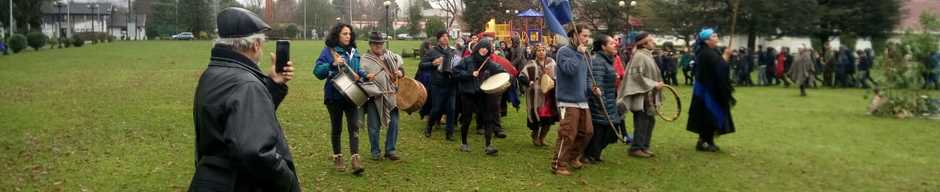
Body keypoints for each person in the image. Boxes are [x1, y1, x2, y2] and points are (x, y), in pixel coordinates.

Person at [190, 8, 300, 191]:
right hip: (238, 184)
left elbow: (241, 119)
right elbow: (254, 151)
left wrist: (273, 85)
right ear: (255, 45)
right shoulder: (246, 84)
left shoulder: (212, 74)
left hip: (210, 181)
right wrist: (288, 182)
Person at [313, 23, 367, 174]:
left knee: (354, 126)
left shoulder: (354, 52)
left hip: (352, 95)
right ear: (337, 35)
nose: (348, 36)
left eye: (349, 34)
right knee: (337, 128)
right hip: (334, 96)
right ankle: (338, 157)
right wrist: (332, 63)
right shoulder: (329, 52)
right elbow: (317, 72)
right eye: (344, 33)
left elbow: (357, 69)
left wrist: (362, 74)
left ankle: (355, 159)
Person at [551, 26, 594, 176]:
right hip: (566, 100)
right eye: (584, 35)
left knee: (586, 131)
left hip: (582, 100)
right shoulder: (564, 52)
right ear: (574, 36)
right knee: (568, 133)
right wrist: (578, 54)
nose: (586, 39)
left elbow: (588, 75)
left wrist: (591, 89)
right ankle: (559, 164)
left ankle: (572, 157)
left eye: (588, 36)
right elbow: (569, 70)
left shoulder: (586, 54)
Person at [686, 28, 736, 152]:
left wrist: (724, 56)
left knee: (710, 115)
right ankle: (704, 141)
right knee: (709, 115)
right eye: (713, 36)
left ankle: (707, 140)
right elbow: (719, 67)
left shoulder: (710, 51)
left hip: (710, 89)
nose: (716, 37)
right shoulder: (706, 53)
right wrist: (725, 56)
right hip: (707, 91)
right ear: (707, 40)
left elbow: (718, 67)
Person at [454, 38, 506, 155]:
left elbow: (499, 69)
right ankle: (464, 143)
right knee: (467, 119)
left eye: (487, 49)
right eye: (482, 47)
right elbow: (455, 72)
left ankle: (488, 146)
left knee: (488, 118)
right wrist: (469, 74)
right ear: (478, 48)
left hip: (482, 93)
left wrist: (504, 75)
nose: (484, 50)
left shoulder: (488, 62)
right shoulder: (467, 60)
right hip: (468, 93)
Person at [616, 32, 664, 158]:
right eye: (650, 40)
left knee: (650, 121)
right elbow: (636, 76)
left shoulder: (647, 55)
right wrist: (654, 84)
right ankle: (636, 148)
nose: (653, 42)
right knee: (642, 121)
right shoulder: (639, 56)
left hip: (648, 96)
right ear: (644, 43)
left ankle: (644, 146)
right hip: (641, 96)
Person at [361, 32, 405, 161]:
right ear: (370, 44)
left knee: (394, 124)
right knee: (374, 126)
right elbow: (360, 77)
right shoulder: (364, 59)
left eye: (380, 43)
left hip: (391, 95)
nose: (378, 46)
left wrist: (400, 72)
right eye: (375, 43)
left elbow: (402, 70)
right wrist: (365, 76)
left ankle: (390, 150)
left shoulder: (391, 56)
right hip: (374, 97)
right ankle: (375, 151)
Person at [583, 35, 622, 163]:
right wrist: (601, 104)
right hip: (601, 103)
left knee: (607, 130)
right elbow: (597, 86)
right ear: (603, 47)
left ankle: (595, 154)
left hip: (609, 101)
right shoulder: (598, 61)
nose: (615, 44)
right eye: (611, 43)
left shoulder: (606, 60)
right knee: (599, 131)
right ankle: (589, 155)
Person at [420, 31, 458, 140]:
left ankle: (449, 133)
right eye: (442, 36)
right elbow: (421, 65)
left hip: (451, 84)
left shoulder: (453, 51)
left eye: (447, 36)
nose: (445, 38)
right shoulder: (432, 51)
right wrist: (432, 63)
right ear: (438, 39)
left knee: (451, 109)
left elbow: (458, 64)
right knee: (436, 109)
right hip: (438, 84)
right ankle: (429, 126)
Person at [520, 43, 558, 147]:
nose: (541, 52)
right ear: (535, 52)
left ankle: (542, 138)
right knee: (537, 117)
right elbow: (522, 76)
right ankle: (535, 136)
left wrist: (552, 80)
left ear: (546, 51)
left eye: (543, 50)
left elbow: (557, 76)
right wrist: (529, 82)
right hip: (536, 96)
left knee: (549, 118)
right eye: (538, 50)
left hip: (549, 96)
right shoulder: (531, 64)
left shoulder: (552, 63)